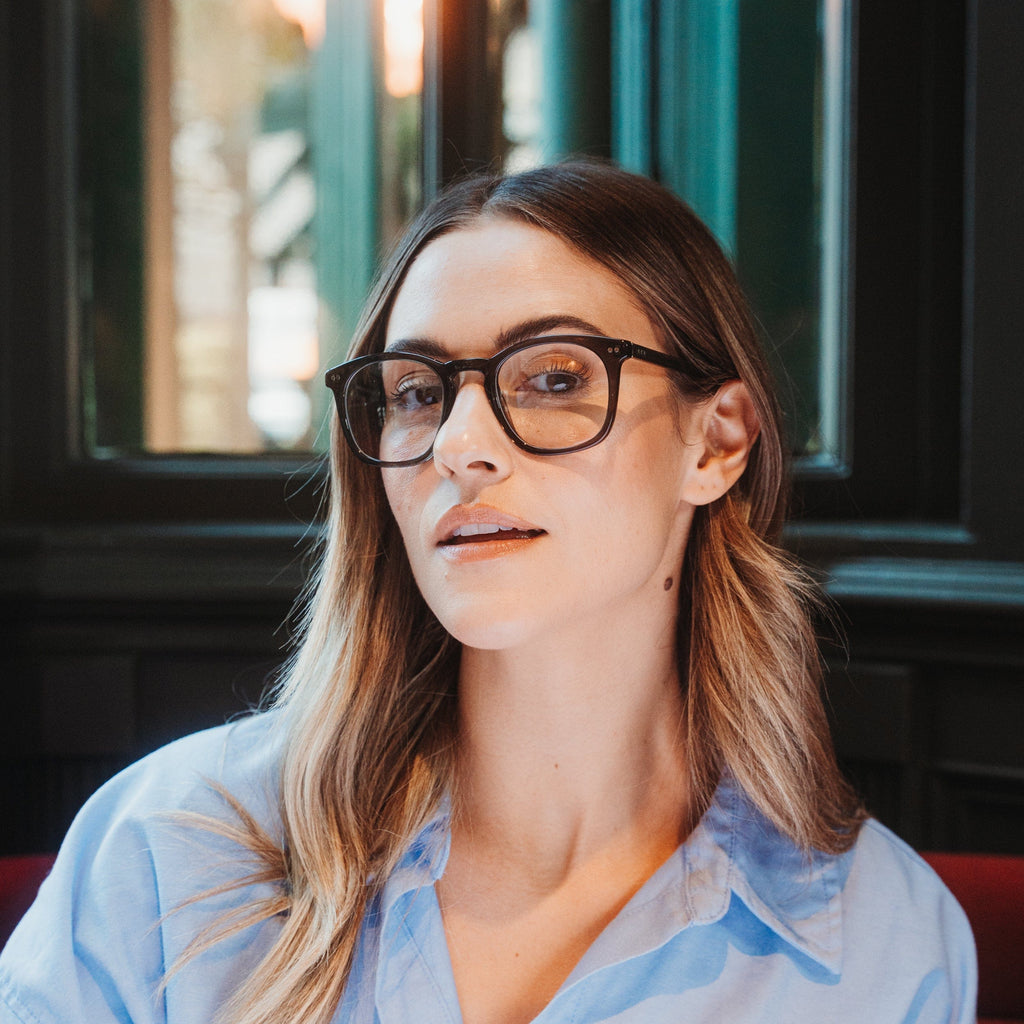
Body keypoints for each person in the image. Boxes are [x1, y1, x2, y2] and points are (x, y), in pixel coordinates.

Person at [0, 161, 975, 1024]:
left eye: (553, 378)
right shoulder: (172, 849)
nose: (459, 445)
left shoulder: (880, 942)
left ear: (715, 442)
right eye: (418, 392)